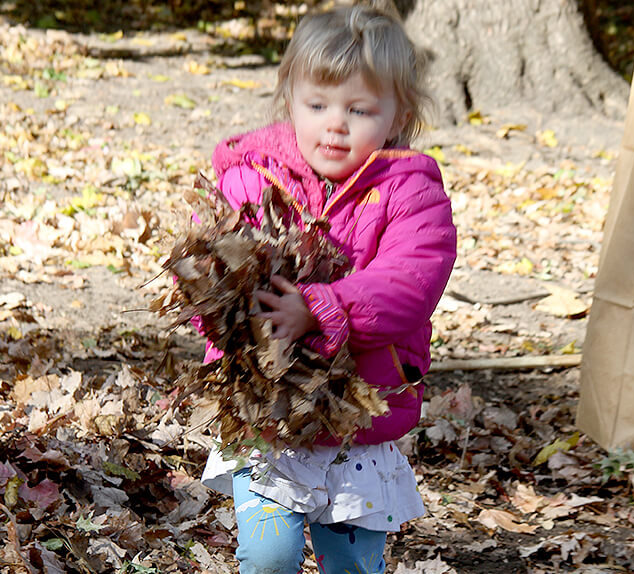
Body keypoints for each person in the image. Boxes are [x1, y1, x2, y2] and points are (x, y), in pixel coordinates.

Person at [197, 1, 457, 572]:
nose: (335, 123)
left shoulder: (409, 191)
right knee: (268, 557)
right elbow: (215, 271)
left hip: (354, 423)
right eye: (317, 105)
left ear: (398, 113)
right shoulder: (251, 176)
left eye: (359, 109)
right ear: (290, 97)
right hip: (271, 415)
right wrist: (222, 309)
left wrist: (321, 308)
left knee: (352, 564)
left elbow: (410, 282)